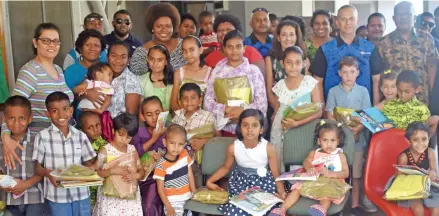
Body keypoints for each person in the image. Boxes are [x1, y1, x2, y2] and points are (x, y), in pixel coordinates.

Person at [1, 23, 74, 170]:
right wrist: (5, 136)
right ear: (35, 42)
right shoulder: (30, 71)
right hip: (39, 142)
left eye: (55, 41)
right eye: (45, 40)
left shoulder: (58, 70)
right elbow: (13, 107)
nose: (51, 45)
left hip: (60, 140)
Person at [206, 109, 286, 215]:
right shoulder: (233, 147)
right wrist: (209, 181)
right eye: (245, 125)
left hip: (263, 182)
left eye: (254, 125)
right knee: (238, 209)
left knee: (267, 209)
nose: (249, 129)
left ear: (261, 129)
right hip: (240, 183)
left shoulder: (268, 148)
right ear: (240, 128)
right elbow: (225, 167)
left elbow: (275, 173)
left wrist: (282, 192)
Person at [34, 91, 96, 216]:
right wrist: (49, 173)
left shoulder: (80, 136)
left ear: (71, 110)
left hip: (81, 194)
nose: (61, 114)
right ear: (48, 114)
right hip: (57, 197)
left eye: (65, 109)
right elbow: (37, 169)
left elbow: (89, 163)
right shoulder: (42, 137)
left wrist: (91, 169)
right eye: (55, 111)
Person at [325, 57, 373, 215]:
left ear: (358, 72)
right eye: (344, 72)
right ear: (339, 73)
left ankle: (354, 205)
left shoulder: (363, 91)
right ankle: (338, 204)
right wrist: (341, 131)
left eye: (352, 71)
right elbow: (329, 114)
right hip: (339, 141)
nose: (348, 75)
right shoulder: (333, 91)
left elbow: (367, 116)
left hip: (358, 139)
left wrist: (358, 129)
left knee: (357, 174)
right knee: (340, 173)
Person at [310, 5, 382, 106]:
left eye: (351, 19)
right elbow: (317, 81)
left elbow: (376, 81)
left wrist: (374, 110)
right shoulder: (325, 49)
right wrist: (323, 110)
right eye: (343, 19)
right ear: (337, 22)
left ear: (357, 21)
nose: (348, 23)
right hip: (333, 111)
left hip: (364, 111)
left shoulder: (370, 49)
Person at [276, 121, 349, 216]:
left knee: (326, 195)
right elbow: (306, 161)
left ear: (338, 141)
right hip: (314, 182)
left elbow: (346, 173)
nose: (329, 144)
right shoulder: (314, 153)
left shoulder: (340, 155)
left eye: (332, 140)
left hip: (331, 182)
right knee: (297, 189)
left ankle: (321, 210)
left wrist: (332, 174)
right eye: (325, 140)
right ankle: (282, 209)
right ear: (319, 141)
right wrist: (309, 167)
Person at [203, 30, 267, 137]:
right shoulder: (217, 72)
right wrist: (226, 109)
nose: (234, 51)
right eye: (230, 47)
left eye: (238, 46)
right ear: (224, 49)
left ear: (244, 48)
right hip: (223, 130)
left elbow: (262, 104)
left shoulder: (253, 71)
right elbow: (207, 102)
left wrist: (243, 111)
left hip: (249, 130)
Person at [375, 1, 438, 105]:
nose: (403, 17)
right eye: (400, 14)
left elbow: (432, 68)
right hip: (394, 101)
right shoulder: (383, 43)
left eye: (408, 14)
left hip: (421, 100)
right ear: (394, 18)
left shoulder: (426, 39)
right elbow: (379, 76)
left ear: (414, 18)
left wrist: (432, 96)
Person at [270, 46, 321, 172]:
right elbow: (276, 110)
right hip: (280, 130)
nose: (293, 66)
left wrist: (297, 123)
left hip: (303, 129)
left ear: (304, 63)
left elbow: (318, 111)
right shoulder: (280, 85)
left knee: (299, 163)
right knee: (280, 161)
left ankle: (298, 190)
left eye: (297, 62)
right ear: (282, 64)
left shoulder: (309, 83)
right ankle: (283, 189)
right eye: (289, 62)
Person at [0, 96, 44, 216]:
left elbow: (45, 169)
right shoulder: (2, 144)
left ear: (30, 119)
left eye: (22, 118)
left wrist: (26, 184)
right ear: (5, 119)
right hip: (9, 200)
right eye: (11, 118)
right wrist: (3, 181)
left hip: (34, 198)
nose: (17, 123)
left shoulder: (38, 141)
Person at [93, 113, 144, 216]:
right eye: (120, 135)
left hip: (129, 199)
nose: (123, 140)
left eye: (128, 137)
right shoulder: (106, 150)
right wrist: (112, 171)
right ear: (113, 131)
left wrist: (136, 175)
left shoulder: (132, 150)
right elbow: (96, 172)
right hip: (110, 199)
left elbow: (141, 170)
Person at [172, 83, 216, 187]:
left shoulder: (207, 116)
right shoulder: (177, 117)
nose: (189, 102)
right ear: (180, 101)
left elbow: (215, 136)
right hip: (178, 159)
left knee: (196, 183)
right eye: (185, 98)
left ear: (200, 100)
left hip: (198, 161)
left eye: (193, 98)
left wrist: (203, 141)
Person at [131, 96, 166, 216]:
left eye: (158, 113)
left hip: (166, 175)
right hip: (146, 178)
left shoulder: (169, 132)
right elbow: (135, 153)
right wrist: (155, 138)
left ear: (164, 111)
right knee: (150, 196)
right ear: (142, 117)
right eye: (149, 114)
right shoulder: (139, 133)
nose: (155, 118)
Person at [395, 122, 439, 216]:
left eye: (424, 139)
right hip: (409, 188)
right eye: (415, 140)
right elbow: (398, 179)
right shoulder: (404, 157)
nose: (420, 144)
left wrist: (432, 173)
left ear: (429, 139)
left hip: (426, 186)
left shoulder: (430, 152)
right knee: (418, 209)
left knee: (436, 208)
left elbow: (434, 170)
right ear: (408, 141)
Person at [130, 3, 186, 76]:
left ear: (173, 27)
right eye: (159, 26)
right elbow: (136, 81)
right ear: (152, 28)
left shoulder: (183, 46)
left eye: (168, 26)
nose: (164, 30)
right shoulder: (140, 54)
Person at [64, 29, 107, 120]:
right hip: (82, 121)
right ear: (80, 48)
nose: (92, 48)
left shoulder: (107, 68)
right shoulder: (70, 72)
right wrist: (86, 94)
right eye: (88, 45)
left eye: (96, 45)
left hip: (107, 119)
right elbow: (67, 101)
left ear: (101, 49)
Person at [154, 124, 196, 216]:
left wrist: (194, 192)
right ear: (165, 142)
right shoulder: (161, 165)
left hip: (188, 197)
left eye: (180, 144)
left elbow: (190, 174)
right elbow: (160, 190)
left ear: (185, 144)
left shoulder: (184, 154)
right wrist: (168, 207)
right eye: (172, 143)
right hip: (173, 202)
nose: (176, 147)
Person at [382, 70, 438, 136]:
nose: (403, 95)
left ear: (417, 89)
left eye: (407, 92)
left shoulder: (422, 110)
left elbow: (423, 135)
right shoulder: (389, 105)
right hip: (389, 143)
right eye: (400, 91)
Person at [170, 35, 212, 111]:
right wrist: (184, 118)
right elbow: (173, 103)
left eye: (191, 50)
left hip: (204, 119)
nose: (188, 54)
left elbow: (214, 101)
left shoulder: (210, 72)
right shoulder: (179, 72)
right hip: (182, 119)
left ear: (200, 50)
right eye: (184, 51)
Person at [78, 111, 108, 208]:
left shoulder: (106, 145)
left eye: (97, 125)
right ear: (82, 130)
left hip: (101, 192)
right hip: (84, 192)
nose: (95, 129)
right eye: (90, 127)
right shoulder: (77, 145)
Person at [106, 41, 142, 118]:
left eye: (123, 57)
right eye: (114, 56)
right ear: (107, 57)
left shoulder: (132, 81)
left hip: (119, 127)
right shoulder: (100, 73)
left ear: (128, 60)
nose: (118, 60)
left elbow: (130, 116)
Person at [139, 45, 174, 111]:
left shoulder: (174, 80)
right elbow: (141, 108)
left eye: (160, 60)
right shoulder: (141, 80)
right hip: (149, 119)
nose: (155, 63)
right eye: (152, 59)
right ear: (147, 59)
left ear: (166, 61)